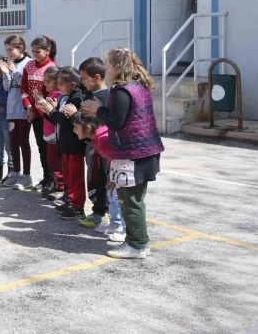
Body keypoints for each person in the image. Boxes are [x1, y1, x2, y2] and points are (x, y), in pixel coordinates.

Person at [80, 48, 164, 260]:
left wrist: (97, 109)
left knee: (130, 201)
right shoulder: (138, 87)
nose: (106, 69)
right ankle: (138, 242)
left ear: (118, 67)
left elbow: (116, 122)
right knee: (133, 199)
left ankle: (136, 245)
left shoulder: (122, 91)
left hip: (133, 153)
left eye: (108, 65)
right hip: (142, 151)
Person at [36, 66, 86, 220]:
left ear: (73, 84)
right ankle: (69, 200)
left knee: (75, 178)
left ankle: (77, 207)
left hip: (74, 146)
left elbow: (64, 119)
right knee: (68, 176)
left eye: (61, 84)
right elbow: (57, 118)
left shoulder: (76, 98)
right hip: (64, 144)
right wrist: (48, 111)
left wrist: (51, 110)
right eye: (57, 83)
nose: (58, 86)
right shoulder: (65, 97)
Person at [70, 113, 125, 240]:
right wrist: (112, 178)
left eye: (75, 127)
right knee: (111, 195)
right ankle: (115, 224)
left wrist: (116, 179)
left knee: (119, 198)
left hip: (123, 172)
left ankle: (125, 229)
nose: (74, 130)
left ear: (88, 128)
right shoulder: (95, 138)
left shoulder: (102, 138)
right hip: (116, 172)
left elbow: (117, 158)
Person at [19, 35, 58, 191]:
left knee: (50, 149)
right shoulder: (29, 66)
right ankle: (46, 177)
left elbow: (52, 93)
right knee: (41, 149)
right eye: (33, 51)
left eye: (38, 51)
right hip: (33, 113)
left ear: (48, 50)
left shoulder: (53, 67)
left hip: (46, 115)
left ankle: (54, 180)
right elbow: (24, 89)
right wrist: (29, 107)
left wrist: (36, 110)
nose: (35, 54)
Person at [78, 57, 110, 229]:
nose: (82, 82)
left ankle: (102, 212)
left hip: (101, 146)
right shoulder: (88, 94)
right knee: (92, 176)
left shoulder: (105, 97)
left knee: (100, 176)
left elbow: (104, 121)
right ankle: (98, 209)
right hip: (90, 144)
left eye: (84, 78)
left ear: (97, 77)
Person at [0, 36, 32, 187]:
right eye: (6, 50)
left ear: (20, 48)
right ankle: (16, 173)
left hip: (23, 109)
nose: (8, 53)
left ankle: (27, 176)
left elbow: (26, 85)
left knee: (23, 141)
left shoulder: (28, 63)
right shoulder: (10, 64)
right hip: (11, 108)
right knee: (13, 142)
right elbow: (8, 87)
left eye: (10, 49)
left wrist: (13, 71)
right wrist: (6, 73)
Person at [39, 66, 63, 200]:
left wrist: (41, 102)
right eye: (45, 81)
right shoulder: (50, 95)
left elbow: (53, 115)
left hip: (55, 135)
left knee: (56, 162)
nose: (45, 84)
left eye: (48, 81)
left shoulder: (58, 95)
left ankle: (61, 187)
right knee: (51, 162)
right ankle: (56, 184)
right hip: (48, 135)